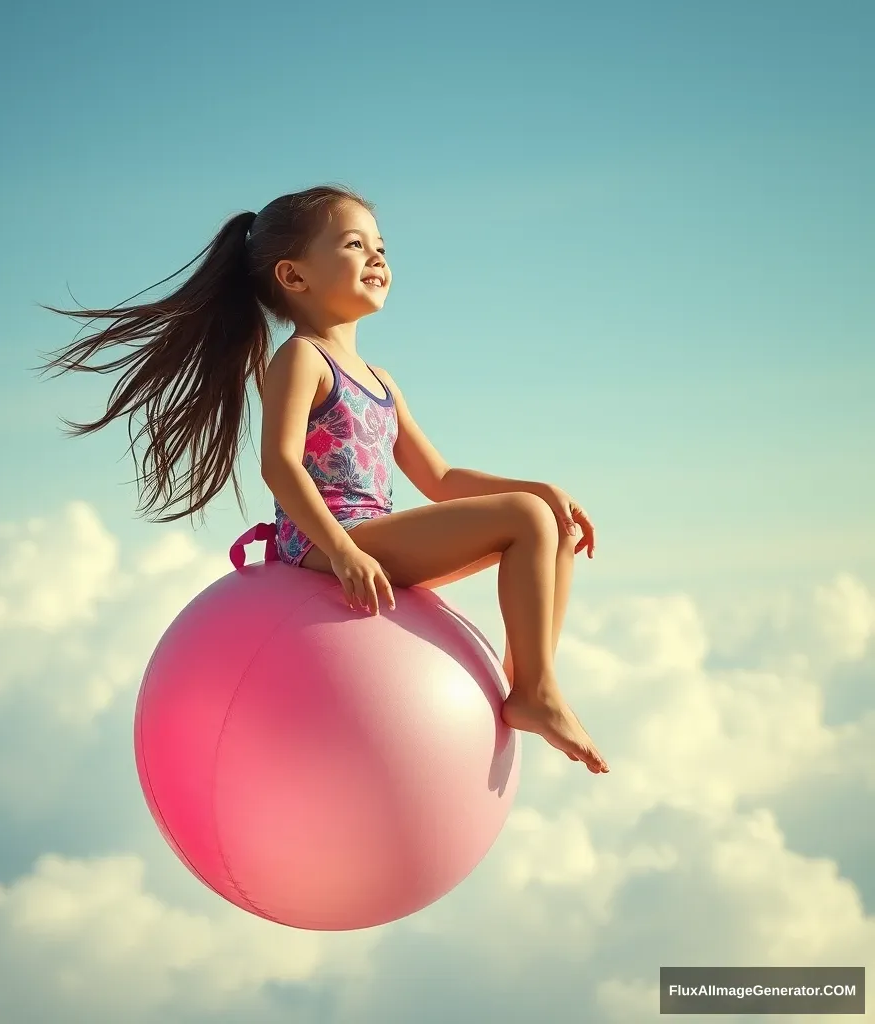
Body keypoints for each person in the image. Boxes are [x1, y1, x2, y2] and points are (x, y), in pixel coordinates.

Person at [39, 184, 608, 774]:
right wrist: (340, 551)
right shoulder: (302, 358)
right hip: (323, 540)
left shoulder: (382, 380)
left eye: (381, 246)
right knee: (522, 518)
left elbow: (438, 477)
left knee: (550, 524)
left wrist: (543, 489)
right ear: (294, 275)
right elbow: (278, 464)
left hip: (372, 534)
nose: (378, 258)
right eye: (355, 245)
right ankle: (537, 695)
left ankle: (526, 682)